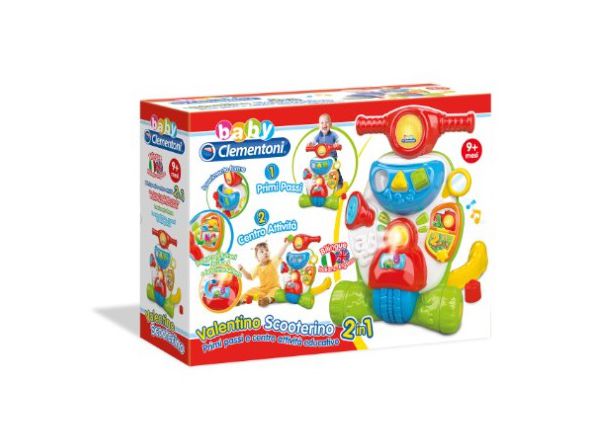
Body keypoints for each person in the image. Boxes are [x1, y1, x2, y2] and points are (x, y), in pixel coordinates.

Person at [237, 238, 291, 306]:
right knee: (251, 290)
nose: (265, 252)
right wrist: (242, 270)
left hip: (274, 288)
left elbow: (280, 254)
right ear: (257, 257)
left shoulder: (273, 262)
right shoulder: (257, 268)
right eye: (262, 252)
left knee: (276, 292)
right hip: (262, 290)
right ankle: (241, 300)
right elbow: (250, 277)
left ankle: (267, 300)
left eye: (267, 250)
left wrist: (286, 244)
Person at [309, 113, 343, 188]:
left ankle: (339, 182)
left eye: (326, 122)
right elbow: (313, 141)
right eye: (322, 123)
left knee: (335, 170)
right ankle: (318, 184)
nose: (324, 124)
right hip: (321, 158)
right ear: (319, 125)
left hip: (332, 157)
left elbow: (339, 140)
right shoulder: (318, 135)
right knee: (317, 169)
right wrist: (310, 144)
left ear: (330, 124)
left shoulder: (333, 134)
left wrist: (337, 144)